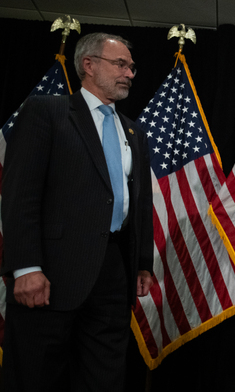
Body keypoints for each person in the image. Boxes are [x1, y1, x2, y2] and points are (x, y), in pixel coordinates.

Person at [1, 33, 154, 391]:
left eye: (132, 67)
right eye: (121, 64)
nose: (130, 73)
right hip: (51, 273)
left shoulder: (134, 131)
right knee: (36, 376)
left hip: (113, 275)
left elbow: (140, 202)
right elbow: (20, 195)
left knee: (103, 376)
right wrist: (26, 267)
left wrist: (141, 262)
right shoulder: (47, 112)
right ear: (88, 65)